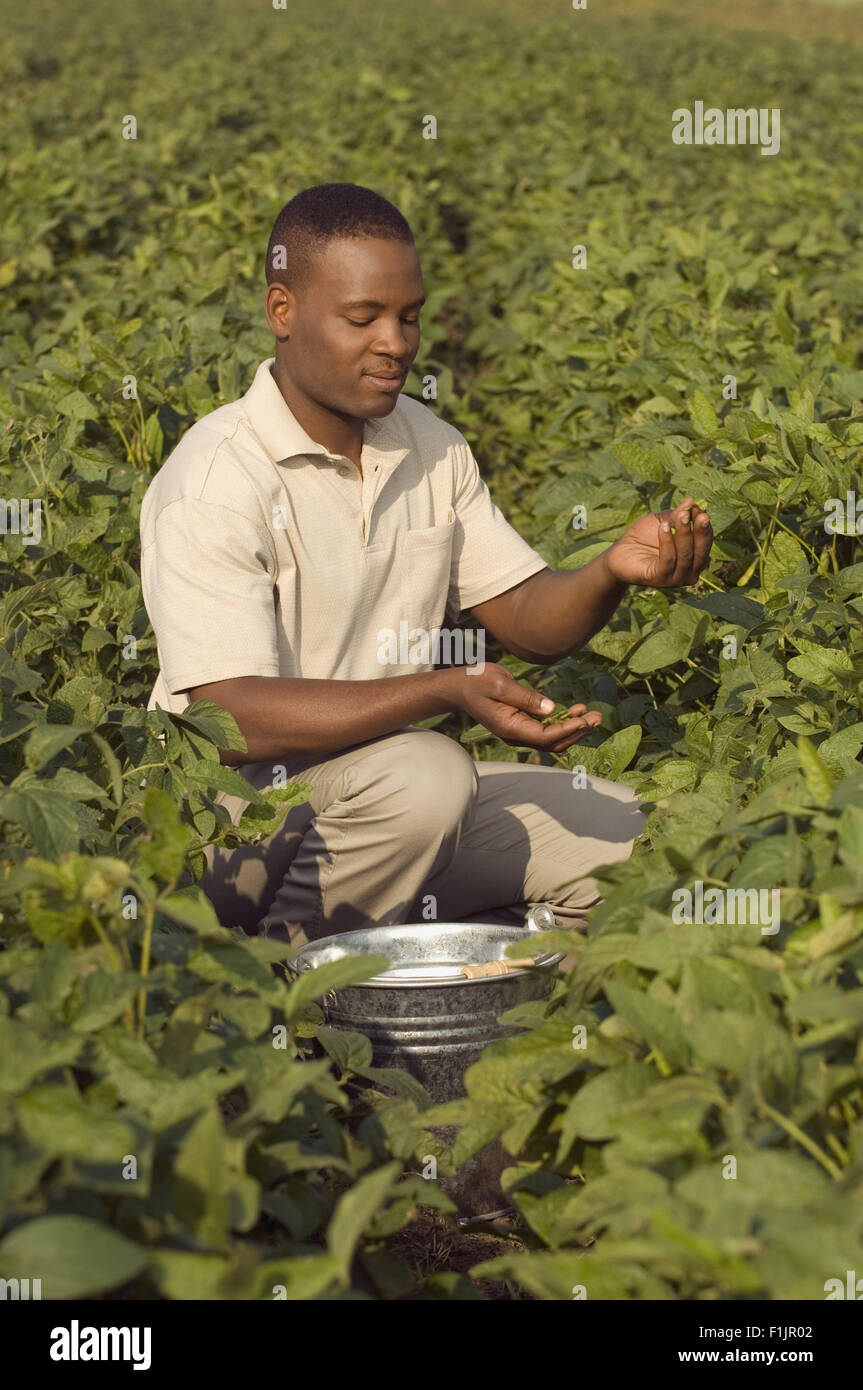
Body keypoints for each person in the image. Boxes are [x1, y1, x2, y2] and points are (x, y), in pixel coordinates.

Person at [139, 182, 712, 948]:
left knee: (637, 844)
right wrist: (445, 688)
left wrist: (608, 572)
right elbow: (228, 721)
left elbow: (527, 622)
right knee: (428, 777)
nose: (396, 342)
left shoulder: (428, 444)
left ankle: (492, 1015)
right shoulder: (216, 482)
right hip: (223, 821)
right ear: (283, 311)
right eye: (362, 317)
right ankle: (282, 1001)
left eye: (408, 316)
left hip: (382, 804)